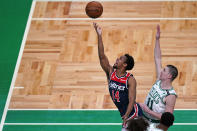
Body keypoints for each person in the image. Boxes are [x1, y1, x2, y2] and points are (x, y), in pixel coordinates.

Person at [93, 22, 143, 131]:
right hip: (126, 116)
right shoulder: (111, 73)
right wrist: (99, 35)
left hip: (135, 115)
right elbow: (102, 57)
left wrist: (126, 116)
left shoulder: (130, 80)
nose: (117, 59)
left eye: (120, 59)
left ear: (124, 65)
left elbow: (132, 99)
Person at [140, 25, 178, 124]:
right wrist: (157, 39)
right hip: (142, 119)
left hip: (154, 125)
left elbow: (167, 118)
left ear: (169, 76)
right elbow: (157, 58)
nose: (161, 71)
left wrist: (148, 111)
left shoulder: (171, 96)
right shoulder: (159, 80)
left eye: (164, 70)